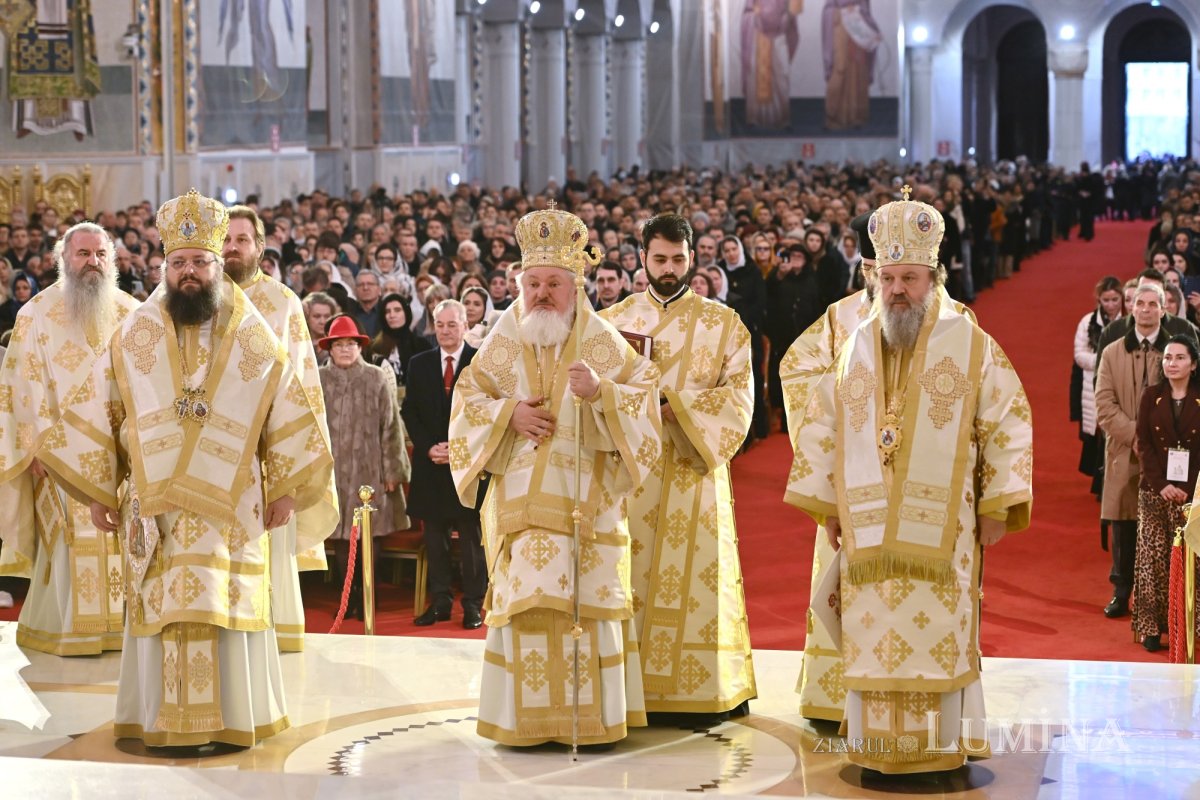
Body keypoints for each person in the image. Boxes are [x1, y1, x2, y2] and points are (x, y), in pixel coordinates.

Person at [37, 189, 334, 747]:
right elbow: (102, 410)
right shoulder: (135, 331)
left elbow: (288, 407)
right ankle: (161, 721)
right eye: (179, 263)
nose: (189, 272)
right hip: (158, 506)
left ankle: (234, 720)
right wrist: (100, 491)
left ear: (219, 266)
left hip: (233, 504)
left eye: (200, 261)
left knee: (223, 604)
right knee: (166, 604)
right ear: (163, 267)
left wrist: (288, 489)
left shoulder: (251, 331)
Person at [786, 192, 1033, 773]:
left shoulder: (971, 344)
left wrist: (999, 504)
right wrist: (826, 505)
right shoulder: (854, 350)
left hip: (945, 534)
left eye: (911, 279)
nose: (897, 290)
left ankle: (941, 751)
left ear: (935, 277)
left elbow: (1008, 419)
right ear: (874, 276)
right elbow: (825, 424)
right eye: (888, 278)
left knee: (937, 632)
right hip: (869, 532)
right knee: (875, 634)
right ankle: (877, 751)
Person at [449, 204, 661, 746]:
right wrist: (508, 415)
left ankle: (591, 725)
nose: (543, 293)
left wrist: (602, 394)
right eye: (533, 282)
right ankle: (524, 725)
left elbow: (645, 398)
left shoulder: (599, 339)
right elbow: (469, 395)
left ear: (576, 286)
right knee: (524, 608)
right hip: (521, 506)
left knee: (585, 610)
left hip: (586, 508)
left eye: (554, 283)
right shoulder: (504, 335)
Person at [600, 213, 756, 720]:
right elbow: (591, 393)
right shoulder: (611, 322)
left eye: (679, 259)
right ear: (641, 258)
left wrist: (678, 409)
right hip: (632, 474)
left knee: (699, 582)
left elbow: (740, 398)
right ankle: (631, 691)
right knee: (633, 577)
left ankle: (706, 692)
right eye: (659, 259)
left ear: (692, 258)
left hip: (694, 470)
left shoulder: (723, 322)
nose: (669, 269)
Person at [0, 222, 140, 655]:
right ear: (63, 259)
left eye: (100, 254)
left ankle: (121, 630)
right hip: (59, 456)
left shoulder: (133, 313)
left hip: (119, 456)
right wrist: (36, 447)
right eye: (82, 254)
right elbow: (23, 386)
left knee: (121, 542)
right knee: (67, 544)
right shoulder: (35, 314)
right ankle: (67, 632)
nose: (92, 262)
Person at [221, 205, 339, 653]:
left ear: (260, 246)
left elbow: (303, 391)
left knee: (270, 551)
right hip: (213, 454)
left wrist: (291, 479)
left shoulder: (283, 302)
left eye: (242, 240)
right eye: (226, 240)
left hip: (270, 455)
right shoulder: (199, 296)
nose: (233, 248)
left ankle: (271, 635)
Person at [319, 314, 410, 618]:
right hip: (332, 473)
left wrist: (393, 471)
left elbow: (391, 426)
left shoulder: (375, 377)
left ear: (360, 347)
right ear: (329, 348)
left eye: (351, 344)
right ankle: (349, 596)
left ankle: (367, 593)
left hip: (371, 470)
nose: (345, 349)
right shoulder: (318, 380)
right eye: (339, 344)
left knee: (370, 535)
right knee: (342, 536)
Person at [402, 299, 485, 629]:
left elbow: (487, 412)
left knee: (471, 542)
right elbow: (410, 411)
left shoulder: (479, 363)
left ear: (465, 325)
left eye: (453, 324)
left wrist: (460, 449)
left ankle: (474, 605)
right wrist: (428, 447)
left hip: (466, 467)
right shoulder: (419, 363)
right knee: (434, 540)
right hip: (431, 465)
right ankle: (439, 602)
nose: (446, 330)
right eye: (440, 324)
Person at [1096, 282, 1169, 620]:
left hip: (1168, 455)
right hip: (1124, 451)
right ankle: (1121, 589)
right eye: (1140, 303)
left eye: (1153, 304)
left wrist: (1155, 441)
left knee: (1163, 525)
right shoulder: (1111, 352)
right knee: (1123, 525)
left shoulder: (1175, 350)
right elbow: (1104, 404)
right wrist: (1133, 436)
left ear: (1164, 309)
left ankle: (1163, 595)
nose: (1146, 309)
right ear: (1132, 308)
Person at [1134, 335, 1200, 652]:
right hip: (1155, 491)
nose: (1171, 363)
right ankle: (1152, 627)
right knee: (1153, 562)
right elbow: (1143, 444)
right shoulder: (1151, 396)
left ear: (1194, 364)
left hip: (1194, 495)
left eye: (1179, 358)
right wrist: (1162, 484)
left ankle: (1191, 624)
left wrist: (1188, 489)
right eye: (1167, 358)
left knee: (1193, 560)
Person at [1074, 276, 1124, 483]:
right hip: (1093, 384)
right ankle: (1100, 479)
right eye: (1106, 300)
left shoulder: (1128, 320)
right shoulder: (1088, 322)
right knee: (1098, 432)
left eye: (1115, 299)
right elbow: (1079, 355)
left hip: (1121, 383)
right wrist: (1103, 360)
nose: (1111, 305)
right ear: (1099, 300)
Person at [369, 292, 431, 391]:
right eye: (387, 311)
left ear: (406, 313)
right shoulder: (374, 347)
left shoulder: (422, 346)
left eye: (397, 310)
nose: (392, 315)